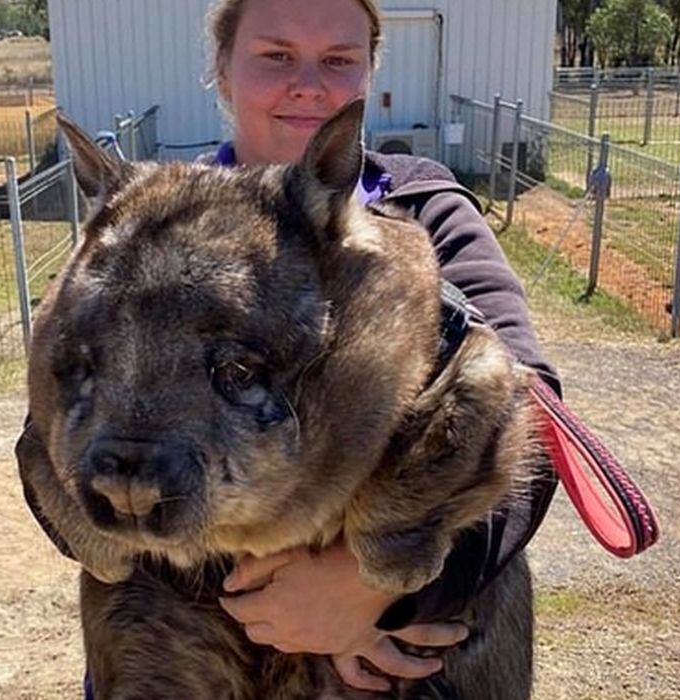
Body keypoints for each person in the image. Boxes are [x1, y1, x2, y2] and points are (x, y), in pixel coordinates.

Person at [59, 0, 559, 695]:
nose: (308, 84)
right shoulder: (147, 216)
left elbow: (535, 418)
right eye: (276, 56)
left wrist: (371, 594)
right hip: (181, 619)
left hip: (396, 640)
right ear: (222, 73)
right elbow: (53, 426)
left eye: (338, 61)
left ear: (368, 75)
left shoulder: (429, 208)